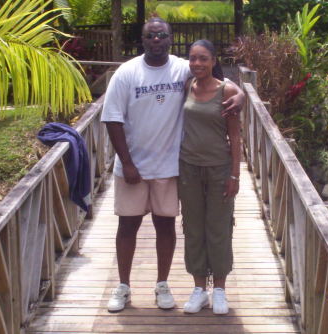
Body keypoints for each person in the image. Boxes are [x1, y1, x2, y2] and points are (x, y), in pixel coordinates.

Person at [100, 18, 244, 313]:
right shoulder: (127, 73)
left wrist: (240, 93)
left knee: (165, 226)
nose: (156, 40)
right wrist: (127, 162)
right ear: (143, 40)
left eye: (162, 35)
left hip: (169, 167)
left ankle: (162, 284)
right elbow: (112, 118)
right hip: (133, 168)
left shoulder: (182, 67)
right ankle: (124, 286)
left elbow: (213, 77)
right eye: (150, 36)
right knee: (127, 226)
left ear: (169, 39)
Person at [179, 40, 241, 315]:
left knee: (219, 228)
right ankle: (198, 289)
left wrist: (235, 175)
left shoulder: (226, 91)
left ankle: (219, 290)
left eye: (203, 58)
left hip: (219, 168)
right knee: (193, 228)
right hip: (189, 167)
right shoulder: (187, 86)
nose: (197, 64)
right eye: (193, 59)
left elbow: (236, 136)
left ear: (214, 60)